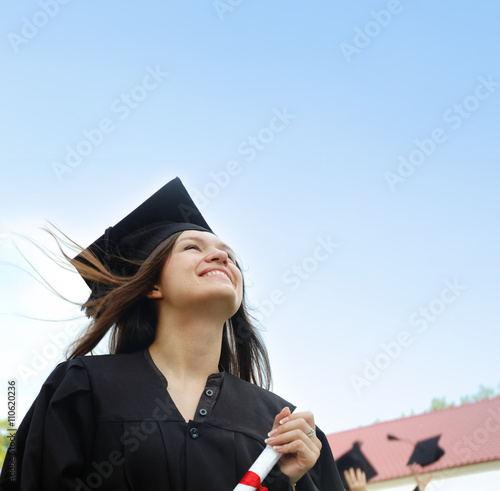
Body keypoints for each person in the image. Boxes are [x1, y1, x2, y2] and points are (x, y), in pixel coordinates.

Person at [0, 178, 345, 490]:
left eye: (229, 255)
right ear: (152, 284)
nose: (221, 256)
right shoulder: (83, 390)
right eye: (193, 247)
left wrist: (292, 483)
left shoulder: (283, 429)